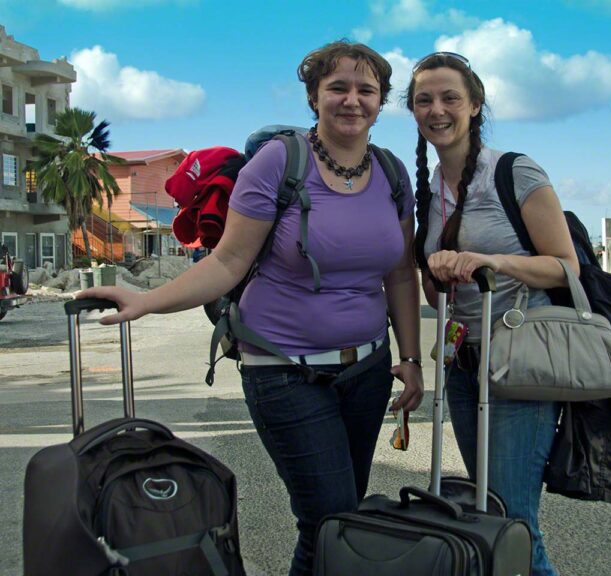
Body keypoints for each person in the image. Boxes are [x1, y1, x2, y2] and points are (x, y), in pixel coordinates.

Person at [79, 40, 424, 575]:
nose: (352, 100)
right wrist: (146, 301)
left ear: (381, 102)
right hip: (285, 372)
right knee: (326, 520)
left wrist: (412, 357)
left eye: (366, 90)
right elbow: (227, 262)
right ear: (314, 97)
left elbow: (401, 271)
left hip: (368, 370)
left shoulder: (391, 173)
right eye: (338, 88)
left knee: (346, 520)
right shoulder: (279, 163)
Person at [407, 51, 579, 576]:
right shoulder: (429, 190)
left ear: (475, 104)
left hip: (520, 365)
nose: (437, 110)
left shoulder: (514, 171)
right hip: (465, 367)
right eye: (423, 100)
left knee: (512, 520)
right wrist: (435, 271)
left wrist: (491, 261)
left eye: (450, 97)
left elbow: (564, 265)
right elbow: (434, 293)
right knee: (486, 510)